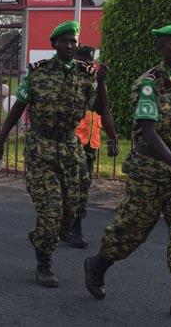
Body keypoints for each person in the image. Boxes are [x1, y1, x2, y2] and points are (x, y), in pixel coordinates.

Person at [84, 25, 171, 321]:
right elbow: (149, 133)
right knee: (131, 231)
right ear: (161, 49)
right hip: (150, 171)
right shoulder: (148, 84)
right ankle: (97, 265)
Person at [0, 20, 109, 288]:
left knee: (73, 207)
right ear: (54, 45)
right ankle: (44, 264)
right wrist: (0, 141)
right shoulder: (38, 72)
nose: (69, 46)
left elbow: (99, 108)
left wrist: (101, 83)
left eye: (73, 42)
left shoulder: (85, 74)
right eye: (64, 41)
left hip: (70, 148)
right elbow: (18, 107)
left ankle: (43, 234)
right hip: (41, 147)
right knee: (51, 208)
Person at [63, 45, 119, 248]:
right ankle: (70, 228)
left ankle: (65, 226)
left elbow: (104, 111)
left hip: (90, 142)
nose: (86, 63)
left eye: (89, 60)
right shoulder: (68, 79)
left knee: (81, 185)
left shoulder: (95, 82)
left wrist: (112, 138)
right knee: (77, 184)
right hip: (70, 141)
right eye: (82, 59)